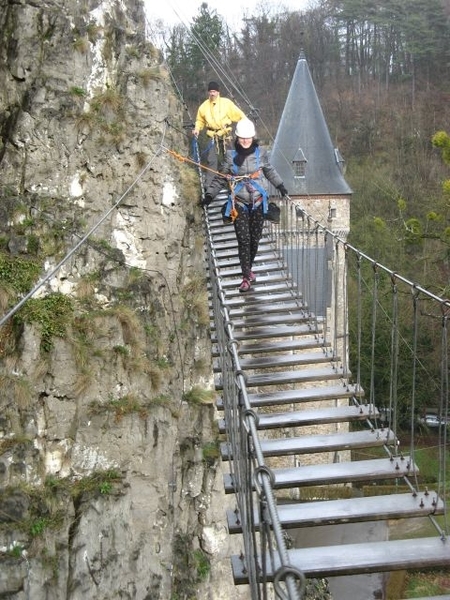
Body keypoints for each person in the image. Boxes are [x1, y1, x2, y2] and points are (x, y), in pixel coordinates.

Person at [202, 118, 288, 293]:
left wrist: (280, 186)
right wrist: (210, 196)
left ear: (253, 137)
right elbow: (220, 178)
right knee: (243, 239)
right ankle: (246, 277)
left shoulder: (261, 153)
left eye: (248, 138)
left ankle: (248, 270)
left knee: (254, 240)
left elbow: (269, 171)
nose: (245, 141)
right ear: (237, 138)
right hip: (239, 202)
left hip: (258, 202)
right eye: (242, 138)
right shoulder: (230, 156)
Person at [193, 81, 246, 188]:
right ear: (208, 92)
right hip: (212, 135)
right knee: (212, 160)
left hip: (226, 134)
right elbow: (199, 120)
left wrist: (246, 126)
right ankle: (209, 185)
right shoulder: (203, 107)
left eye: (214, 91)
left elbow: (239, 115)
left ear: (218, 92)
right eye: (210, 92)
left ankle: (238, 181)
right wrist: (197, 129)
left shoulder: (226, 103)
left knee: (232, 158)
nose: (212, 94)